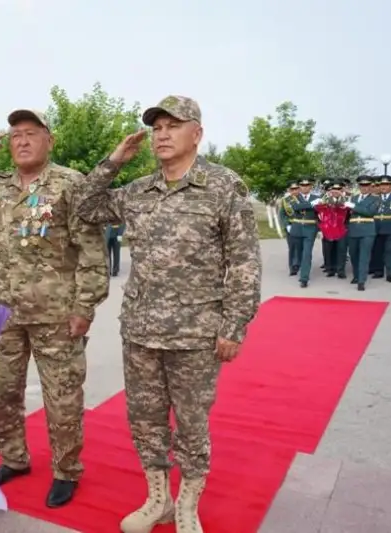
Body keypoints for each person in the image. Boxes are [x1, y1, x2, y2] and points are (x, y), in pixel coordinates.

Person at [75, 95, 261, 533]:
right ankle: (157, 499)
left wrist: (234, 325)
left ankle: (187, 506)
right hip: (141, 330)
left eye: (173, 126)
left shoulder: (222, 186)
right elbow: (85, 207)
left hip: (196, 334)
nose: (162, 134)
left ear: (197, 134)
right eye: (156, 127)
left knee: (192, 425)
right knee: (145, 421)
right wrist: (114, 162)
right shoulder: (138, 191)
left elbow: (244, 262)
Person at [0, 109, 110, 508]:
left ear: (49, 140)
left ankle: (66, 470)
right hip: (4, 314)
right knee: (4, 393)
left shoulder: (70, 184)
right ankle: (14, 458)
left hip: (57, 315)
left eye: (31, 133)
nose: (21, 141)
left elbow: (91, 251)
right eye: (15, 134)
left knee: (63, 399)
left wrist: (85, 306)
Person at [346, 175, 382, 290]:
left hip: (367, 230)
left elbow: (369, 212)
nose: (364, 187)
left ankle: (361, 280)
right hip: (353, 229)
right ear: (359, 186)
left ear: (370, 186)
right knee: (353, 254)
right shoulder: (353, 198)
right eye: (362, 185)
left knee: (364, 256)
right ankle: (356, 276)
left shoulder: (376, 199)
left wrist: (353, 206)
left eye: (366, 185)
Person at [289, 178, 321, 287]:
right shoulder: (293, 197)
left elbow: (320, 211)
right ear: (299, 187)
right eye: (302, 185)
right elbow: (296, 207)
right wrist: (311, 204)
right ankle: (297, 267)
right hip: (297, 228)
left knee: (307, 253)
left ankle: (304, 278)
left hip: (310, 228)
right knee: (298, 253)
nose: (305, 187)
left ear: (311, 186)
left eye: (307, 185)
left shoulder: (317, 198)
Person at [279, 180, 300, 275]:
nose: (295, 191)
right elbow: (282, 214)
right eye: (292, 189)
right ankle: (293, 267)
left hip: (303, 225)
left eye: (296, 188)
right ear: (289, 190)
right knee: (292, 246)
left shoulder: (304, 199)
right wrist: (286, 225)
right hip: (291, 225)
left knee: (301, 247)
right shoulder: (285, 200)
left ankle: (299, 263)